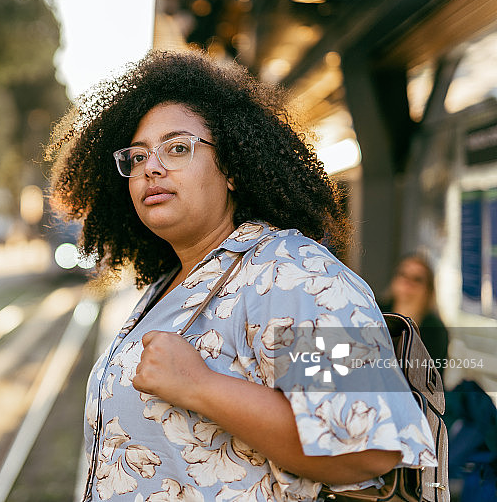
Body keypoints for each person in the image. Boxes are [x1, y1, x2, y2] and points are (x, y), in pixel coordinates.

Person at [46, 50, 437, 501]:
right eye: (137, 157)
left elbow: (373, 446)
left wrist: (201, 386)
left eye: (177, 147)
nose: (151, 167)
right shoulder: (170, 283)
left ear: (231, 168)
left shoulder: (292, 271)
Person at [380, 254, 449, 377]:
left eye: (417, 279)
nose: (408, 282)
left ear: (428, 290)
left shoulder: (435, 329)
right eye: (403, 274)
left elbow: (431, 377)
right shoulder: (376, 310)